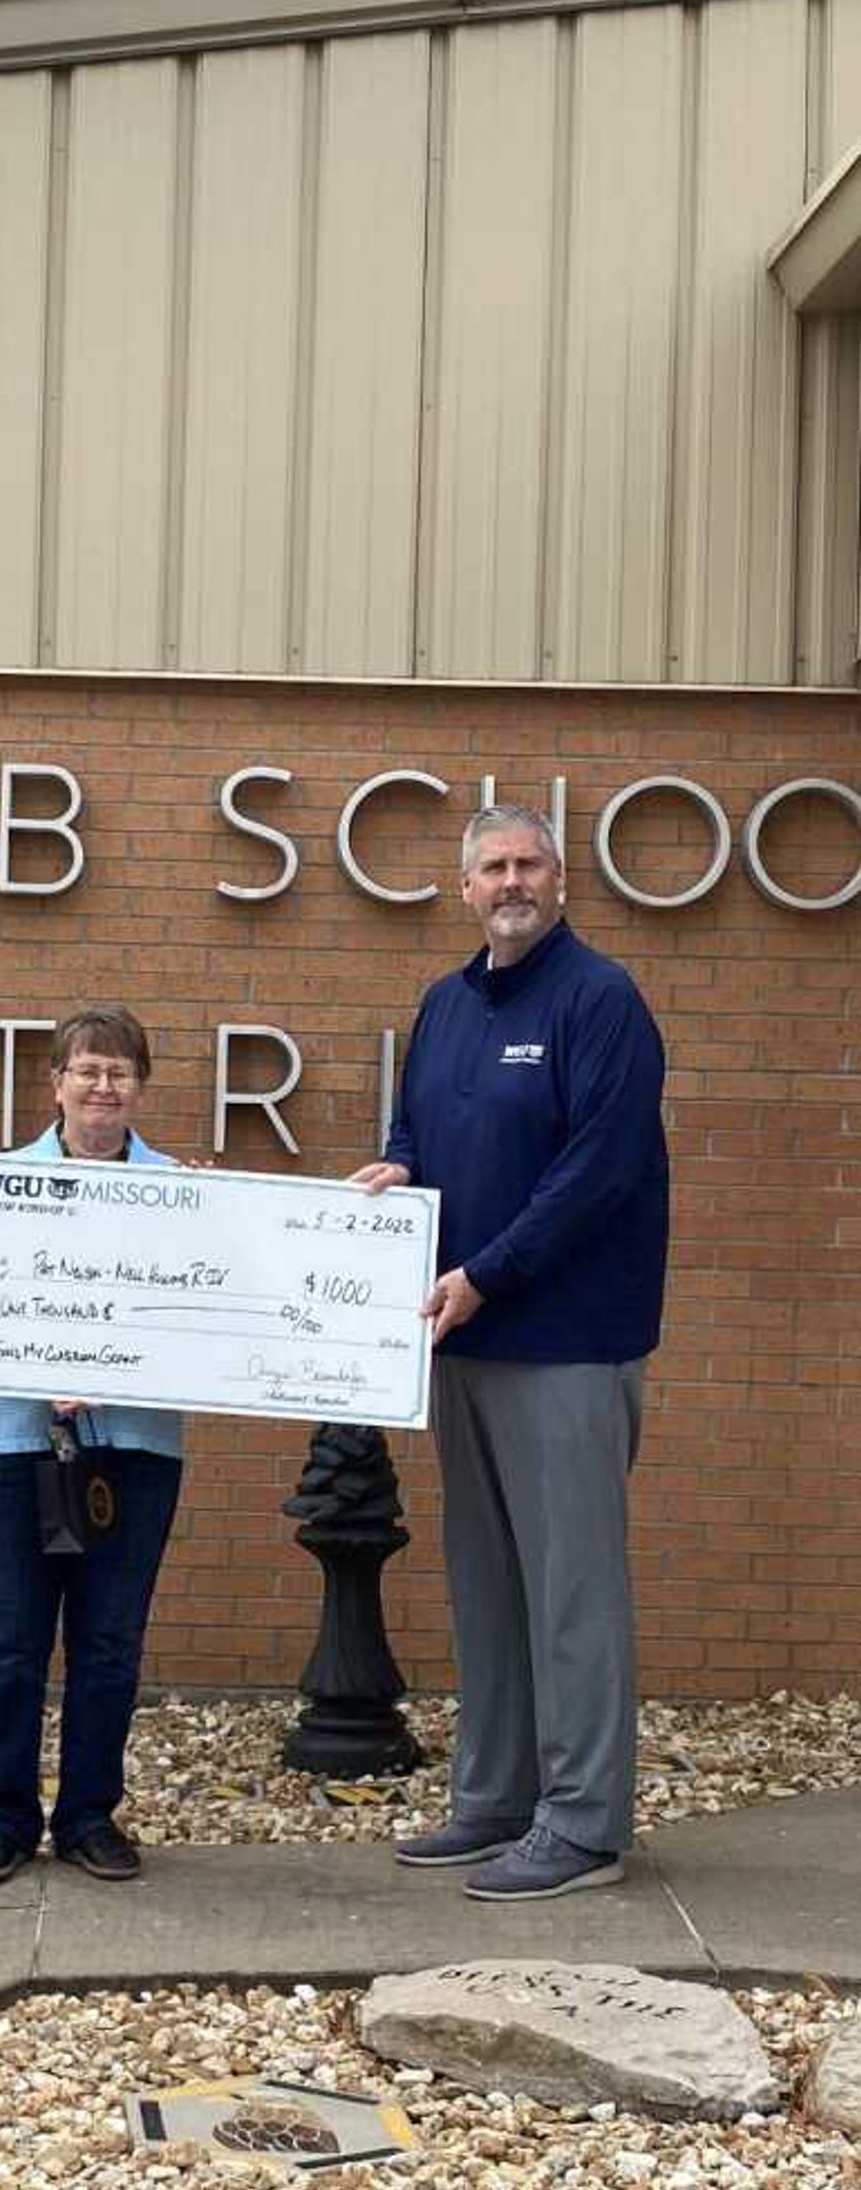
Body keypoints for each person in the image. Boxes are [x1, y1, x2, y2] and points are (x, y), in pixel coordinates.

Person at [353, 804, 668, 1901]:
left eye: (528, 861)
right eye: (492, 866)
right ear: (466, 887)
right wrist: (395, 1173)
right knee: (486, 1584)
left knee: (572, 1588)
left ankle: (583, 1825)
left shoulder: (599, 1000)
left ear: (562, 879)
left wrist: (485, 1271)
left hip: (566, 1345)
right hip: (462, 1345)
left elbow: (599, 1168)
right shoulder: (443, 1005)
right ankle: (494, 1799)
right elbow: (417, 1133)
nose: (510, 880)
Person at [0, 1004, 183, 1886]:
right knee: (8, 1643)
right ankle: (4, 1819)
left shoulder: (181, 1195)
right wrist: (44, 1361)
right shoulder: (1, 1186)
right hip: (15, 1444)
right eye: (87, 1070)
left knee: (110, 1644)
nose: (103, 1086)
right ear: (56, 1084)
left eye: (120, 1072)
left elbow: (197, 1310)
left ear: (140, 1087)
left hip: (137, 1449)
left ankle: (88, 1817)